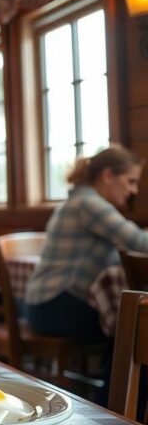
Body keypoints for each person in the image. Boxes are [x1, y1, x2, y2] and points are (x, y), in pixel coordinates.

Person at [26, 146, 148, 341]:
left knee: (129, 320)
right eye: (130, 181)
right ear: (108, 175)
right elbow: (140, 242)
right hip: (53, 308)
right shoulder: (89, 204)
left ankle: (112, 372)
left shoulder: (80, 200)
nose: (134, 190)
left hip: (44, 305)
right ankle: (114, 372)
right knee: (132, 324)